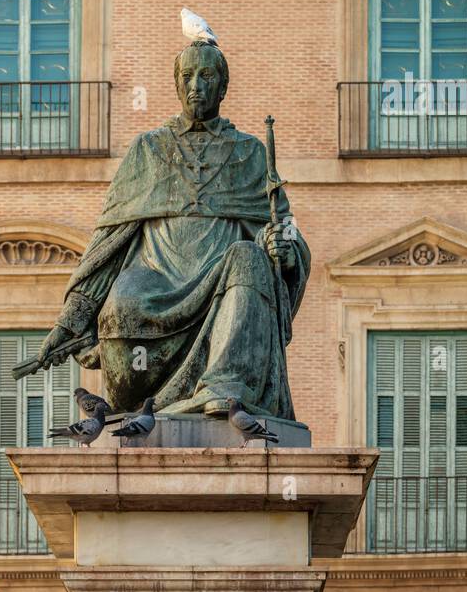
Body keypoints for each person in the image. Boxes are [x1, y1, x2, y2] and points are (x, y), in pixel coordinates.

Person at [36, 40, 309, 419]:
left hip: (224, 284)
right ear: (177, 85)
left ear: (223, 86)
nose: (196, 84)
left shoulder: (250, 152)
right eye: (187, 76)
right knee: (122, 301)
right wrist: (69, 323)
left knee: (248, 256)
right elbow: (108, 245)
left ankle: (224, 388)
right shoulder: (148, 149)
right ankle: (146, 398)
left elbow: (287, 228)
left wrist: (286, 250)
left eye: (206, 75)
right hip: (157, 282)